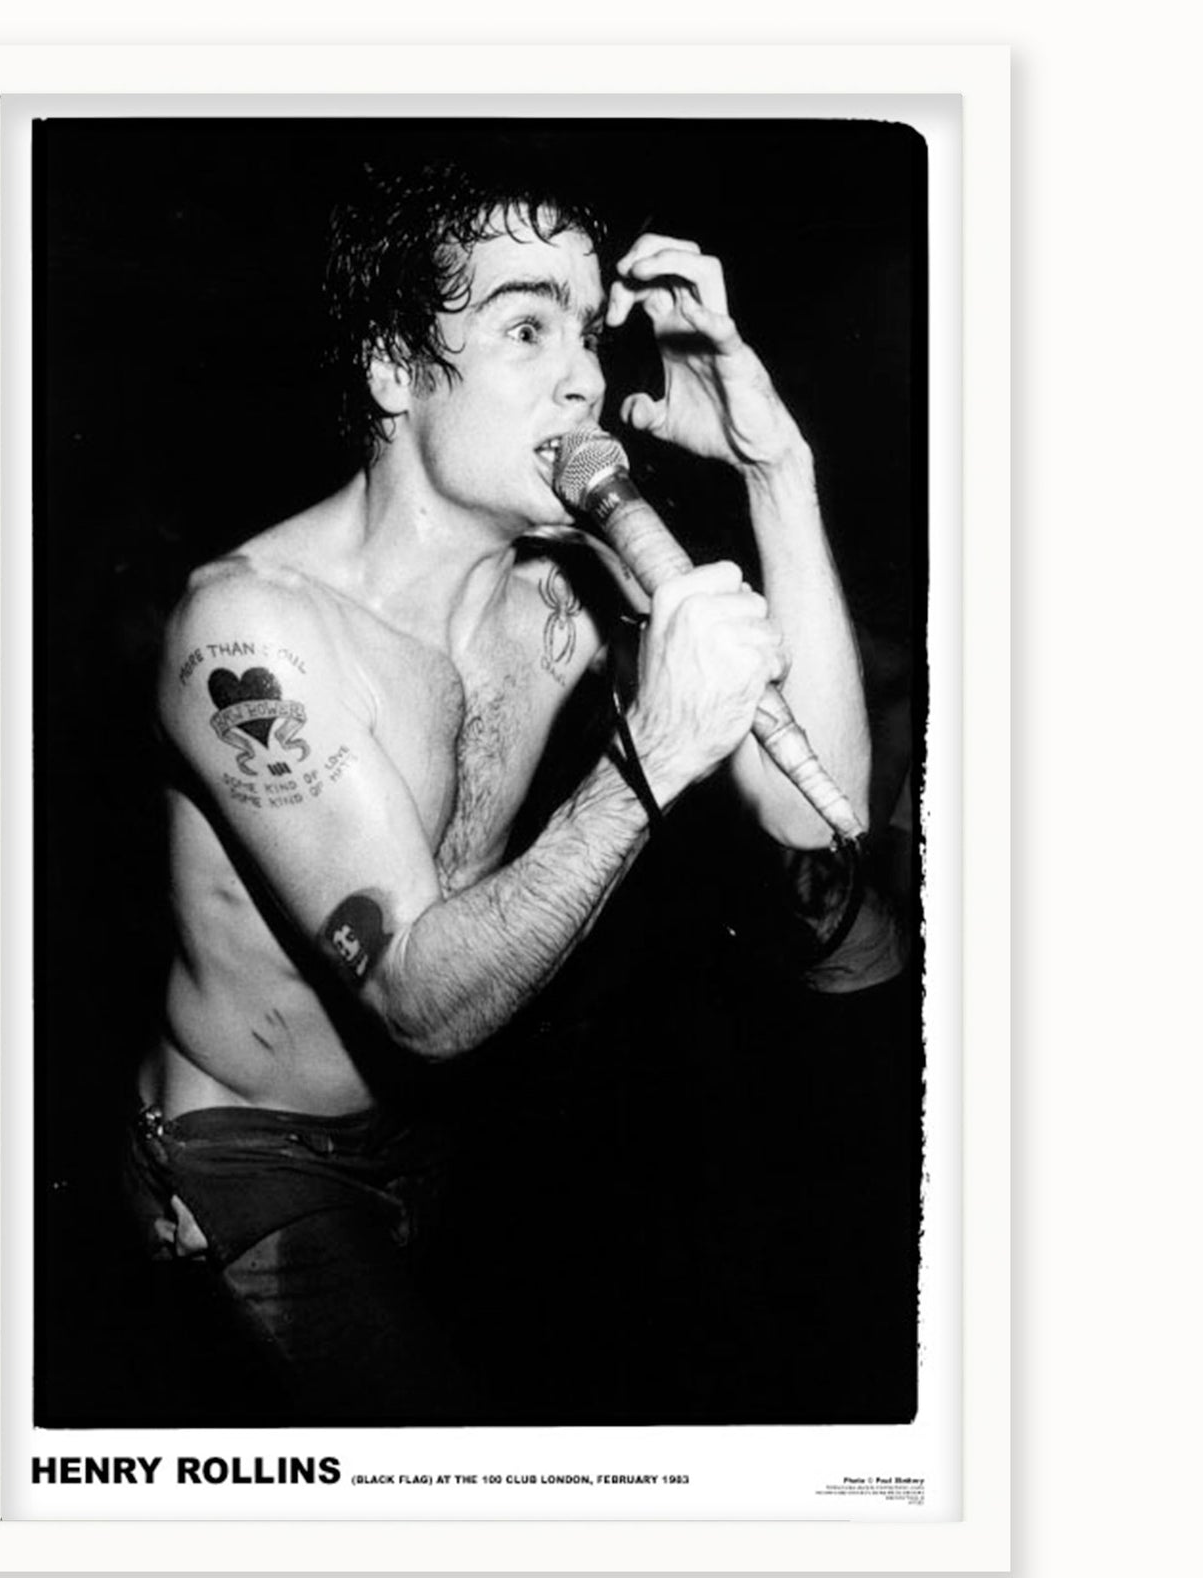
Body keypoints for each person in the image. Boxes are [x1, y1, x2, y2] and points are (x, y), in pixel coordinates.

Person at [128, 151, 871, 1420]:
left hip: (434, 1129)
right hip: (247, 1157)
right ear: (392, 370)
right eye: (526, 328)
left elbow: (815, 810)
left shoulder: (557, 590)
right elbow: (419, 999)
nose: (582, 377)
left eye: (585, 334)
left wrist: (774, 469)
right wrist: (647, 760)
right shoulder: (251, 633)